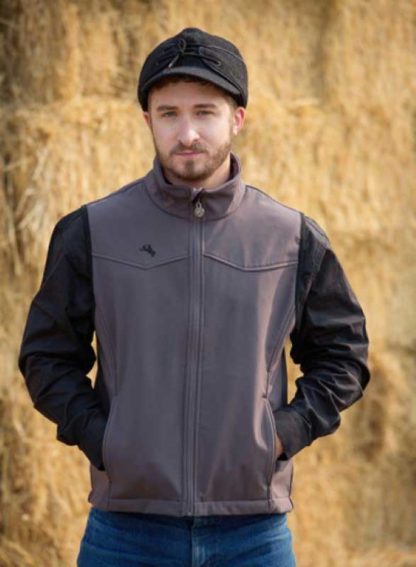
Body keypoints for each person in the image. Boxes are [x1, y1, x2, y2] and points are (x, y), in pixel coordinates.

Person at [17, 27, 370, 567]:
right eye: (169, 114)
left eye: (205, 112)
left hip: (253, 536)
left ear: (237, 118)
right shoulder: (92, 230)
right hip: (125, 533)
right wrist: (105, 439)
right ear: (147, 121)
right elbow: (46, 356)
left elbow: (344, 356)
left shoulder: (292, 238)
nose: (187, 133)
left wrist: (280, 435)